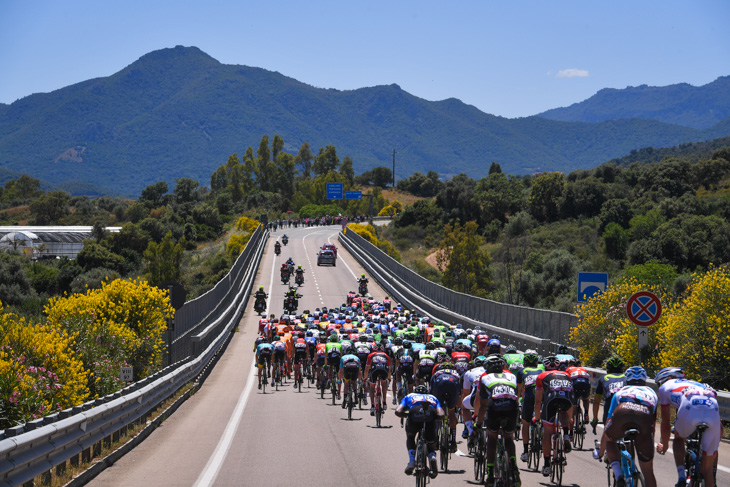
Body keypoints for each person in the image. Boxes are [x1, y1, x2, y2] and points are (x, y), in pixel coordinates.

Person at [655, 367, 721, 487]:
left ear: (668, 378)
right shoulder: (698, 384)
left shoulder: (665, 387)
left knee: (679, 438)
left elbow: (665, 423)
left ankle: (681, 477)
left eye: (660, 382)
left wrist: (664, 446)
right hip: (712, 406)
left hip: (689, 405)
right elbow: (720, 427)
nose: (660, 385)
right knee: (707, 470)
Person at [593, 366, 658, 487]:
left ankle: (618, 475)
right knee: (648, 472)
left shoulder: (620, 392)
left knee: (611, 441)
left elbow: (608, 423)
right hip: (644, 416)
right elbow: (652, 425)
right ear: (644, 381)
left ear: (626, 381)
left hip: (622, 412)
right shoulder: (652, 392)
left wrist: (601, 452)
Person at [474, 355, 521, 486]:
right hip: (511, 407)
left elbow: (483, 405)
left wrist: (478, 424)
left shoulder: (484, 378)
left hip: (494, 407)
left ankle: (489, 474)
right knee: (509, 438)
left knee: (492, 438)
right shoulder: (511, 375)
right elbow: (515, 397)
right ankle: (514, 468)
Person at [534, 355, 574, 477]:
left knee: (547, 432)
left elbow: (538, 400)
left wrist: (537, 417)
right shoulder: (567, 375)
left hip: (551, 399)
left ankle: (546, 465)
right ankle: (566, 435)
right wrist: (570, 420)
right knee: (564, 411)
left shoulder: (541, 376)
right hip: (567, 398)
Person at [394, 384, 445, 479]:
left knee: (410, 436)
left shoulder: (409, 396)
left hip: (414, 413)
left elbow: (398, 411)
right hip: (430, 414)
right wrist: (436, 418)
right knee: (430, 442)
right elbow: (441, 414)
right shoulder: (433, 397)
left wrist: (406, 415)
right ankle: (432, 456)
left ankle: (412, 460)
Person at [517, 349, 544, 461]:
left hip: (528, 396)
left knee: (525, 423)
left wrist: (517, 401)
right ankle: (541, 429)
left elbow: (518, 390)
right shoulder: (542, 370)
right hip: (541, 395)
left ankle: (525, 451)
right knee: (542, 416)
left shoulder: (521, 371)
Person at [430, 361, 461, 452]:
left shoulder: (436, 373)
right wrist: (458, 405)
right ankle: (453, 440)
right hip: (453, 384)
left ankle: (435, 437)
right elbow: (459, 392)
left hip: (439, 384)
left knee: (437, 411)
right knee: (451, 412)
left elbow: (431, 392)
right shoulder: (456, 374)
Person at [592, 356, 626, 430]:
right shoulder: (626, 377)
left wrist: (595, 419)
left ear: (607, 369)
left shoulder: (603, 378)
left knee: (608, 435)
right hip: (626, 405)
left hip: (610, 404)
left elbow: (596, 402)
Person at [364, 342, 391, 416]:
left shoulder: (370, 355)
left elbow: (367, 369)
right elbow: (389, 369)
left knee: (372, 387)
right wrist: (389, 378)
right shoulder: (386, 355)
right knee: (384, 383)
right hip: (384, 370)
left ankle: (372, 406)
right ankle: (384, 402)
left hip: (374, 370)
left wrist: (365, 378)